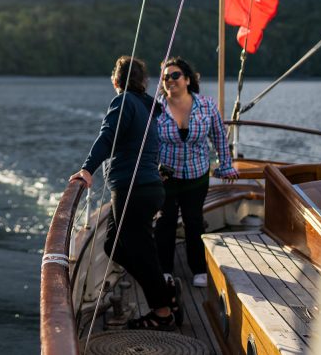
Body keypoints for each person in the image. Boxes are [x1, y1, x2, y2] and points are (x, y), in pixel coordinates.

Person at [70, 55, 177, 331]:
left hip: (133, 188)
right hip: (148, 187)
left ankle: (162, 313)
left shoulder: (124, 101)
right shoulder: (146, 107)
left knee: (141, 252)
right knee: (112, 246)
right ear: (144, 82)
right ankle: (164, 290)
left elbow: (108, 136)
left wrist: (87, 169)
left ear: (115, 81)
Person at [154, 56, 238, 289]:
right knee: (165, 222)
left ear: (187, 79)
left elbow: (219, 136)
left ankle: (199, 269)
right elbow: (148, 143)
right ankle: (165, 270)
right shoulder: (156, 108)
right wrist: (151, 170)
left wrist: (226, 165)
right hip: (166, 177)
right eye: (165, 77)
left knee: (194, 222)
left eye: (175, 75)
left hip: (196, 176)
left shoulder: (207, 106)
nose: (169, 80)